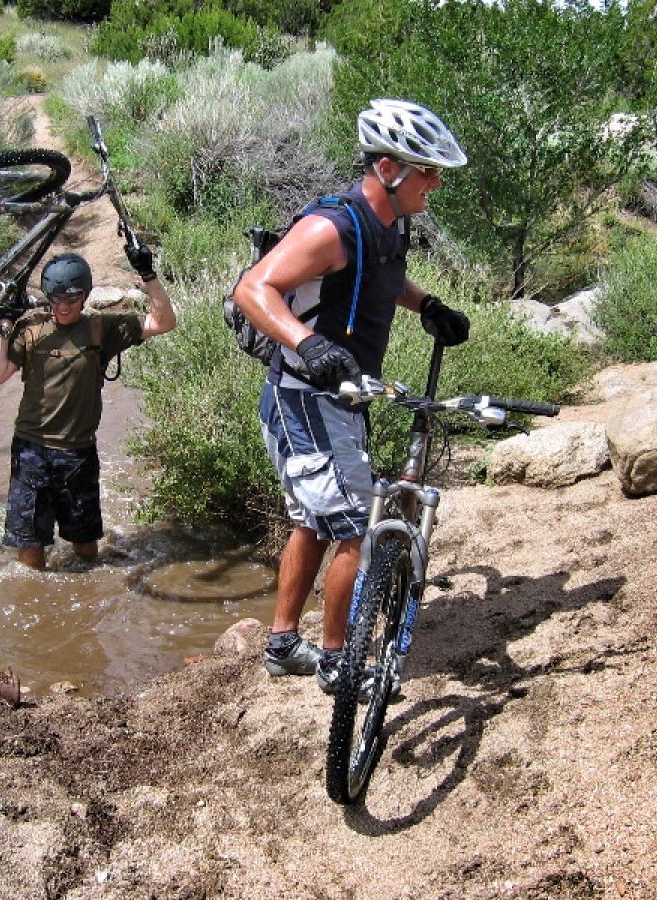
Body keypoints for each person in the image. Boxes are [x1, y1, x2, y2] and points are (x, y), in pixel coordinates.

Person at [232, 98, 471, 693]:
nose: (435, 183)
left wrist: (428, 305)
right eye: (427, 171)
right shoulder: (330, 227)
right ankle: (339, 662)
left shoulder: (390, 224)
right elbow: (252, 289)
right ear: (389, 169)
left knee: (312, 521)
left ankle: (285, 644)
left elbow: (381, 279)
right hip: (303, 399)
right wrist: (305, 342)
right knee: (351, 526)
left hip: (342, 398)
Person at [0, 243, 176, 570]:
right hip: (31, 450)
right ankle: (38, 600)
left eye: (71, 299)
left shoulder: (102, 328)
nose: (62, 307)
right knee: (30, 544)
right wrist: (2, 327)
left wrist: (147, 274)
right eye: (55, 299)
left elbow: (164, 322)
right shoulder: (31, 329)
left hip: (77, 453)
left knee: (86, 547)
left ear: (86, 295)